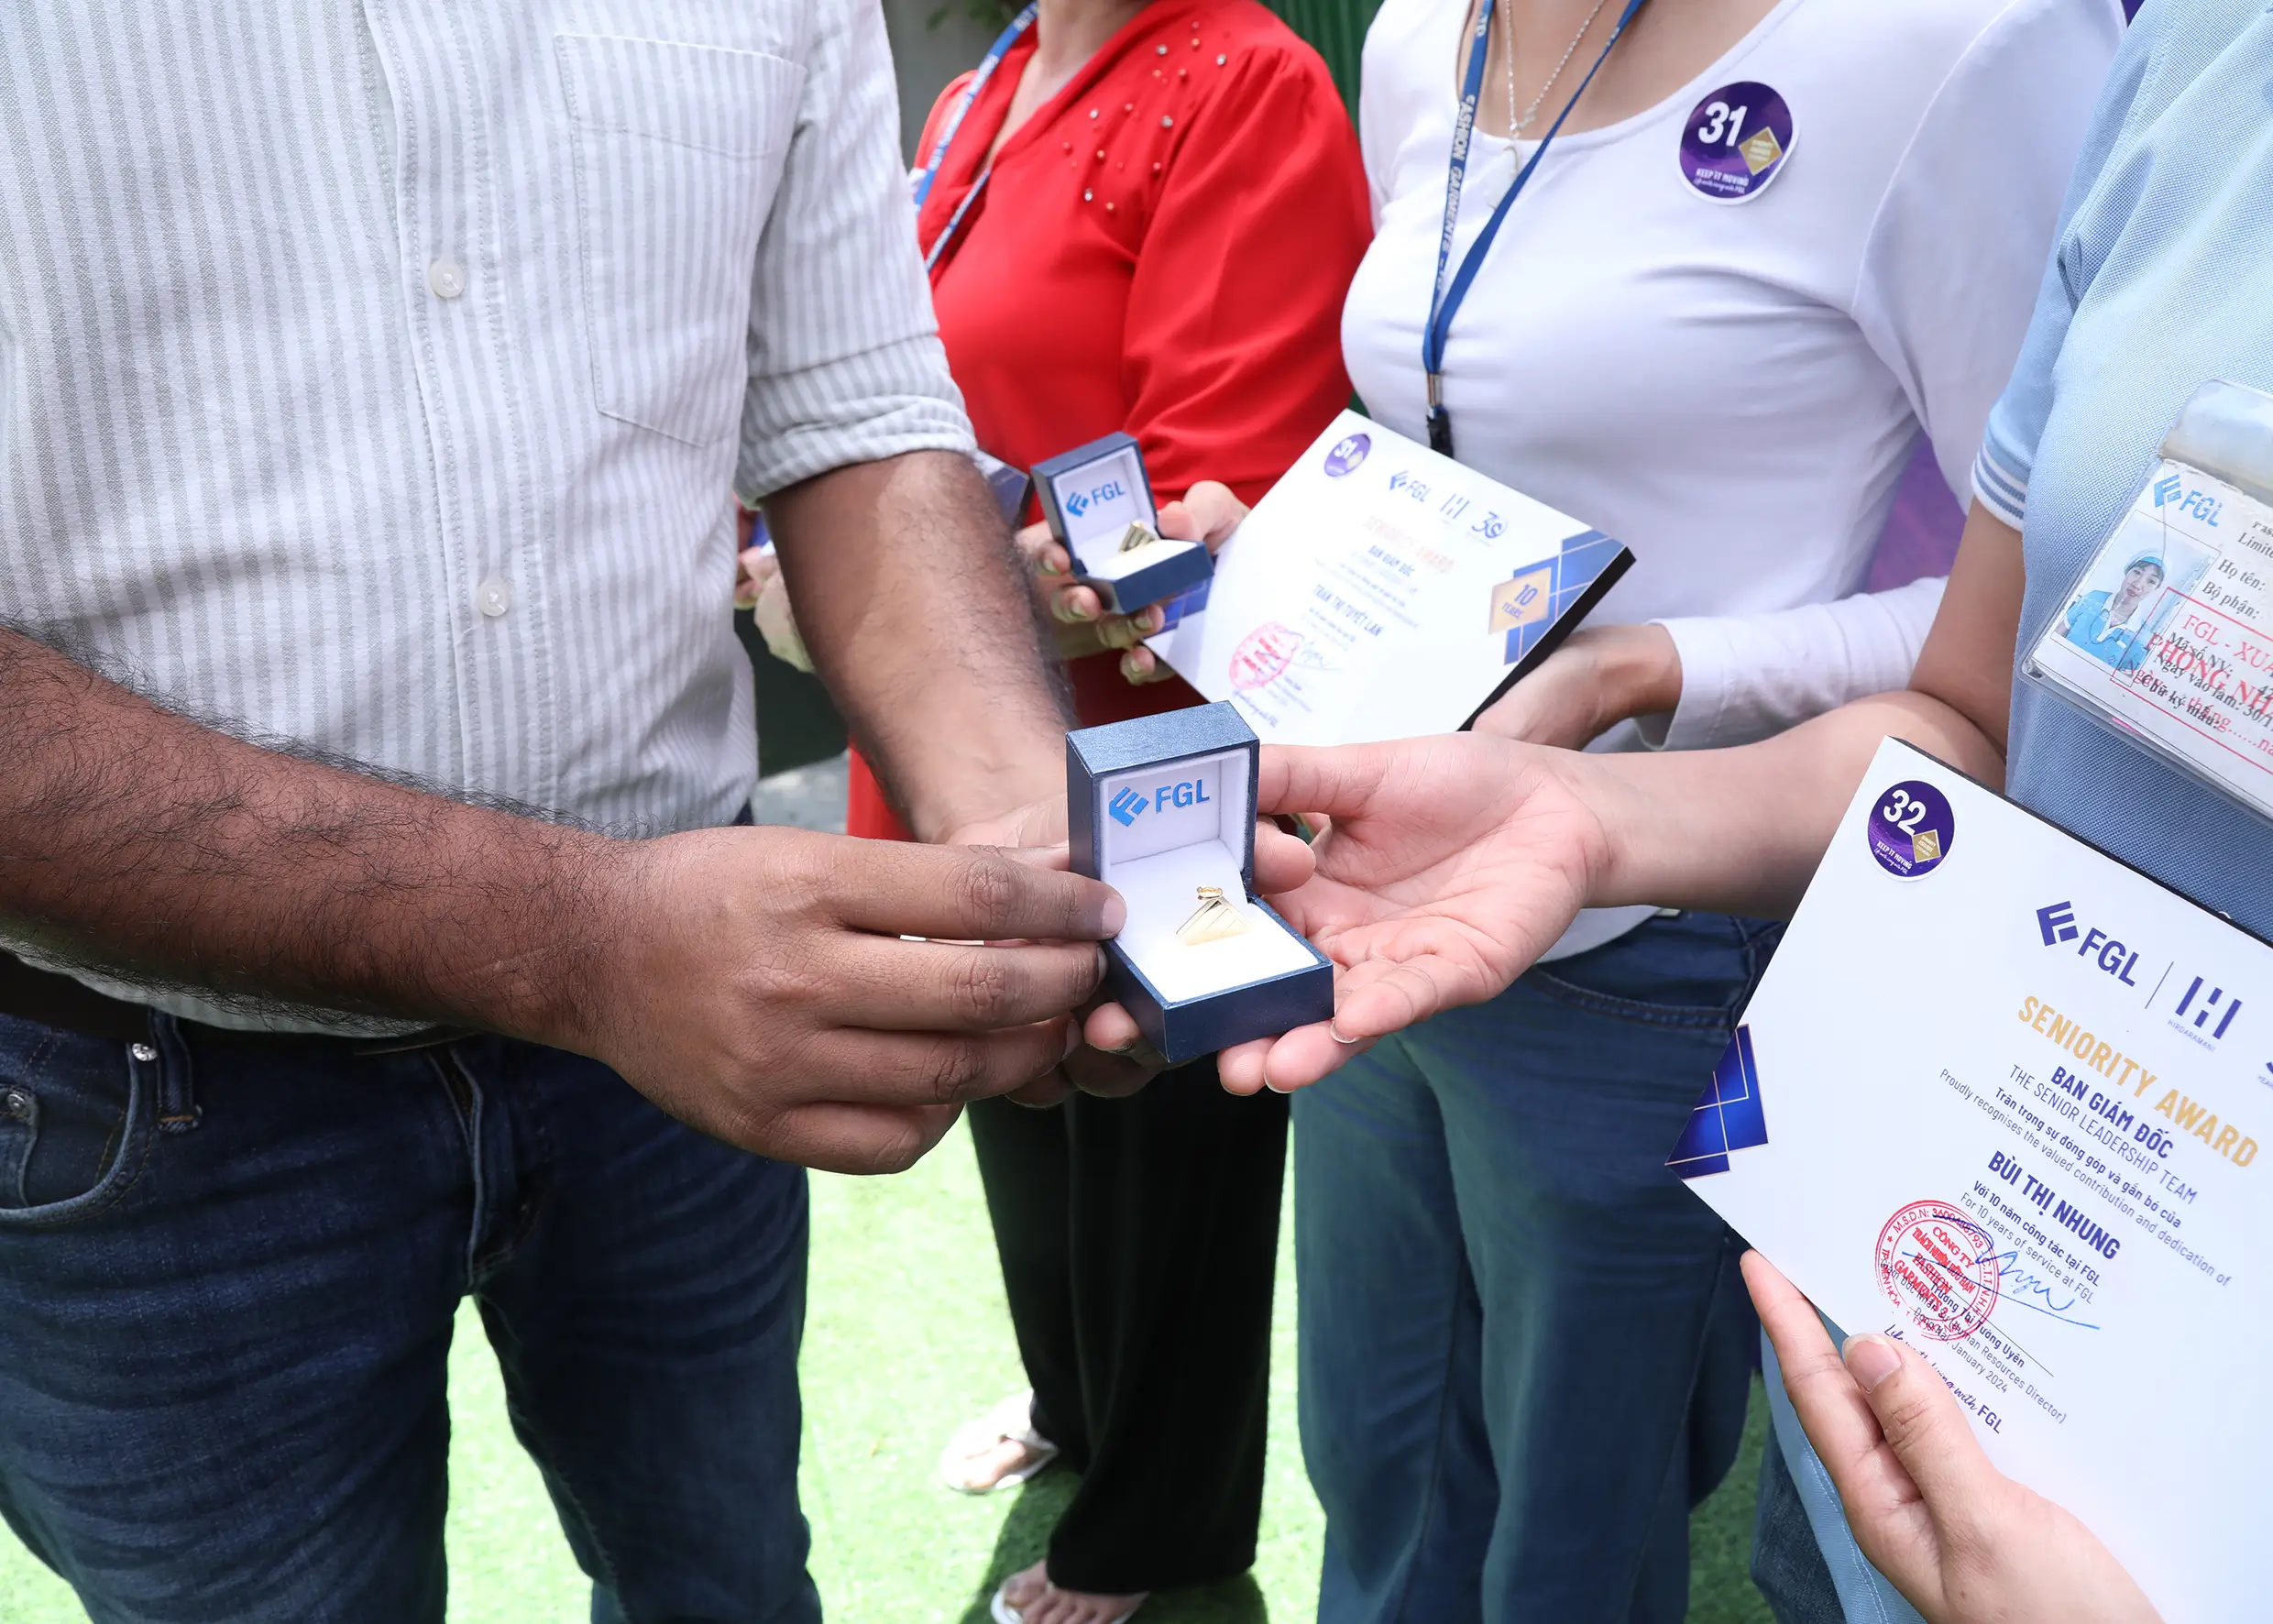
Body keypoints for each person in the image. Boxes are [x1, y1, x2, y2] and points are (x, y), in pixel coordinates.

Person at [0, 2, 1226, 1617]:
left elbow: (855, 418)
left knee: (724, 1578)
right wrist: (575, 940)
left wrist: (1017, 832)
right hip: (143, 1079)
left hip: (679, 1036)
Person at [1179, 5, 2273, 1618]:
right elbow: (1991, 705)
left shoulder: (1967, 41)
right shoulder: (2202, 46)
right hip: (1450, 888)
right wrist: (1563, 800)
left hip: (1678, 973)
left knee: (1571, 1525)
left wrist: (1651, 671)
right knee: (1391, 1470)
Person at [747, 5, 1367, 1620]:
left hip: (1143, 749)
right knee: (1016, 1092)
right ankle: (1080, 1402)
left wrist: (892, 593)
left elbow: (1225, 491)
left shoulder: (1241, 73)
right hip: (947, 734)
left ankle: (1161, 1524)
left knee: (1163, 1127)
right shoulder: (983, 86)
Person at [2064, 552, 2164, 668]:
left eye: (2151, 581)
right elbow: (2056, 634)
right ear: (2127, 572)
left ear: (2156, 589)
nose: (2138, 585)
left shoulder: (2142, 636)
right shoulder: (2093, 598)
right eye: (2137, 572)